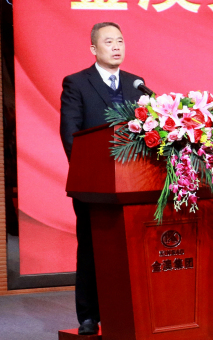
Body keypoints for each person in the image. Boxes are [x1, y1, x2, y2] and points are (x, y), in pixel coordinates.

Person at [59, 22, 144, 335]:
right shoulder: (77, 83)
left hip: (133, 185)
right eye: (109, 42)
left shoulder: (136, 84)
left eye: (120, 40)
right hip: (93, 186)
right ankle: (89, 315)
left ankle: (127, 312)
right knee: (92, 248)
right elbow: (70, 133)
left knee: (128, 250)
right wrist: (89, 172)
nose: (116, 46)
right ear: (94, 49)